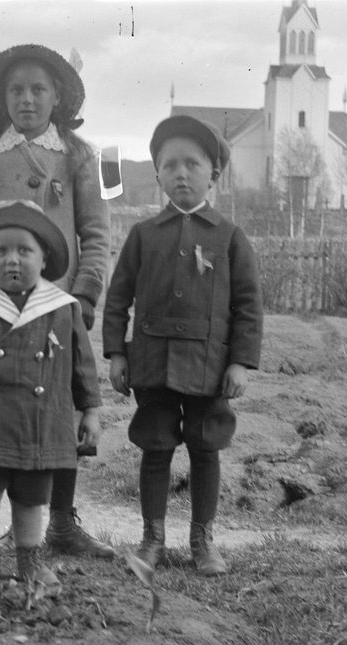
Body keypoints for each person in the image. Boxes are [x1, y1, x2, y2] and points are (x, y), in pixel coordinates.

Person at [0, 43, 114, 559]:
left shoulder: (87, 156)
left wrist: (83, 295)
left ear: (58, 95)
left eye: (38, 89)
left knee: (57, 411)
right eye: (16, 90)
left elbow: (99, 233)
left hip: (55, 306)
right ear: (2, 98)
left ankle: (60, 521)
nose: (27, 99)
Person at [102, 116, 263, 576]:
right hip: (152, 362)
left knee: (205, 448)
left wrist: (240, 364)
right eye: (169, 165)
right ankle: (152, 539)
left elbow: (250, 307)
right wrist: (117, 352)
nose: (181, 173)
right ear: (157, 176)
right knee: (155, 448)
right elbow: (118, 299)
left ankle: (202, 541)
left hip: (208, 366)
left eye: (192, 164)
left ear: (214, 174)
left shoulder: (229, 238)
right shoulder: (143, 235)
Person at [0, 200, 102, 595]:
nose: (12, 260)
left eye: (24, 251)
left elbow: (83, 365)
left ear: (44, 258)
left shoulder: (62, 308)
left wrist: (91, 411)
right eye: (1, 251)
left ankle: (29, 561)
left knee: (31, 500)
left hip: (41, 422)